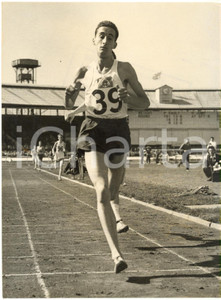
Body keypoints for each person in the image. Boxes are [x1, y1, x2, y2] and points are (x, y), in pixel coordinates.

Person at [65, 20, 150, 273]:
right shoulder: (83, 70)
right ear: (94, 40)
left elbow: (144, 102)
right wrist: (69, 92)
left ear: (115, 43)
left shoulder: (124, 68)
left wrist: (129, 98)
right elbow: (69, 104)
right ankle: (116, 254)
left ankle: (117, 212)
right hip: (92, 128)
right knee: (101, 189)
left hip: (118, 131)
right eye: (101, 36)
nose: (105, 40)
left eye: (110, 37)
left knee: (114, 188)